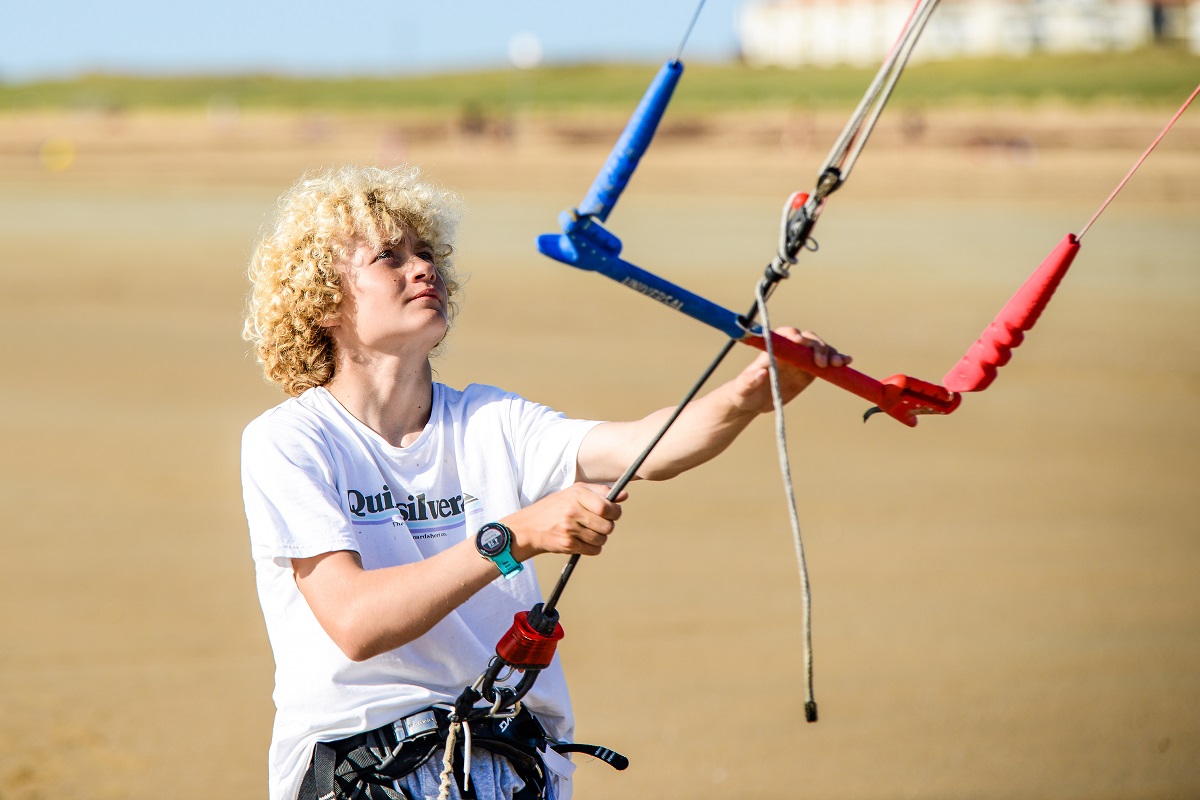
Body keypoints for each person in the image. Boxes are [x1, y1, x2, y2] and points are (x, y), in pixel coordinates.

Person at [240, 164, 849, 800]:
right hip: (363, 773)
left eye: (426, 254)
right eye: (389, 257)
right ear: (324, 300)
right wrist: (514, 537)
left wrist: (745, 396)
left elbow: (647, 448)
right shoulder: (291, 440)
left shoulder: (489, 418)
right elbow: (357, 622)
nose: (422, 269)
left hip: (511, 767)